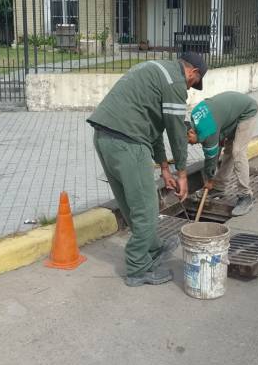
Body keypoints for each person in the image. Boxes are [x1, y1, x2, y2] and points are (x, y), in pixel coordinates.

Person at [88, 52, 207, 287]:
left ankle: (152, 248)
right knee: (147, 207)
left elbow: (154, 130)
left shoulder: (157, 70)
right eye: (194, 83)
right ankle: (137, 268)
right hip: (129, 143)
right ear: (192, 72)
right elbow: (175, 132)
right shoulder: (175, 83)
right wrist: (182, 173)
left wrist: (165, 169)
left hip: (105, 138)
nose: (191, 89)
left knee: (133, 203)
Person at [187, 91, 258, 216]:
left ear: (191, 132)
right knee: (228, 150)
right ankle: (219, 187)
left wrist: (209, 180)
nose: (191, 144)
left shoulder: (206, 130)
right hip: (231, 115)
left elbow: (211, 158)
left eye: (189, 141)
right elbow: (216, 132)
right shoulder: (195, 117)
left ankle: (246, 196)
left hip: (247, 111)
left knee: (238, 151)